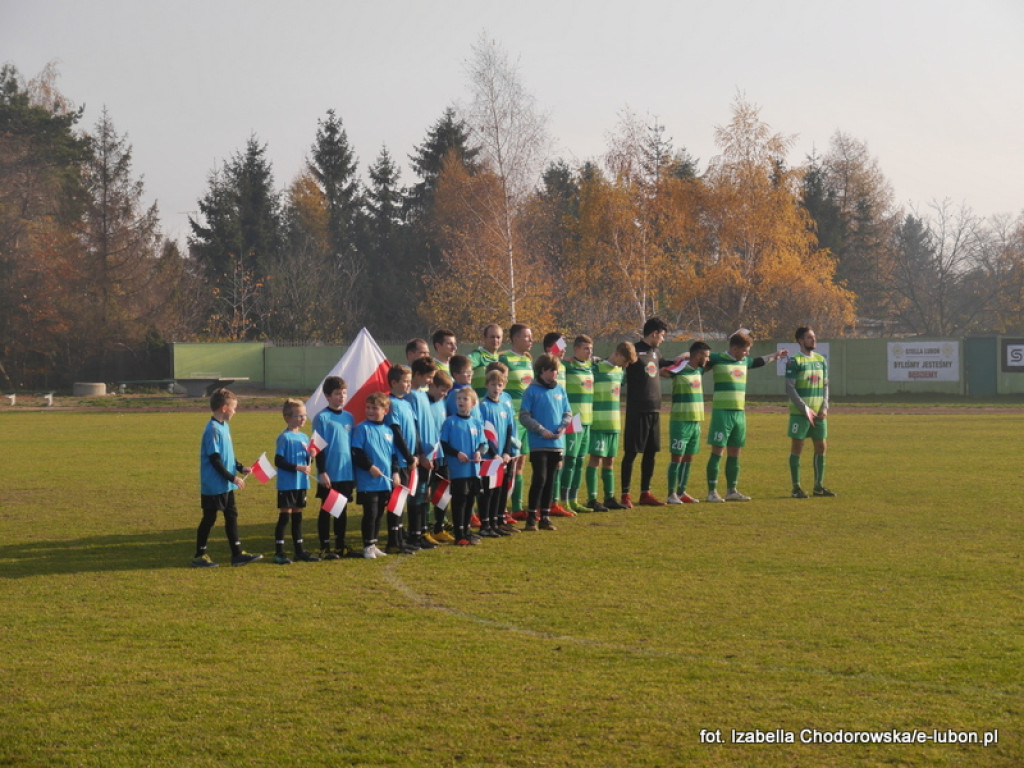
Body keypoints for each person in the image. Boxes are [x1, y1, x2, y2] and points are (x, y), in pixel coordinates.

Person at [704, 330, 788, 502]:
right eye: (745, 350)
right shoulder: (717, 359)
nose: (747, 353)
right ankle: (712, 492)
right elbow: (697, 356)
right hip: (722, 413)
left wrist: (775, 355)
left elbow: (759, 361)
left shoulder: (744, 362)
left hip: (739, 414)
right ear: (735, 348)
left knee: (735, 452)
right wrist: (684, 355)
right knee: (717, 452)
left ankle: (732, 490)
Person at [192, 388, 262, 567]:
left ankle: (237, 554)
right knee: (209, 518)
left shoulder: (225, 426)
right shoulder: (212, 429)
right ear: (224, 408)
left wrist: (240, 468)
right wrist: (233, 478)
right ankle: (199, 555)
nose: (235, 411)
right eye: (234, 408)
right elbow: (215, 460)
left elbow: (227, 456)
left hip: (226, 484)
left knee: (231, 515)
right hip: (214, 485)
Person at [621, 317, 673, 507]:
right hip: (637, 410)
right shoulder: (633, 351)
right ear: (654, 334)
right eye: (662, 335)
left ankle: (645, 493)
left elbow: (664, 363)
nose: (663, 339)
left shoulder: (655, 353)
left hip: (655, 410)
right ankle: (625, 494)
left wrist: (681, 360)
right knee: (632, 453)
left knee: (651, 452)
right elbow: (615, 362)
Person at [519, 353, 572, 531]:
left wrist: (563, 427)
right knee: (539, 478)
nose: (556, 373)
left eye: (557, 370)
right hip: (538, 443)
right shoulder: (531, 390)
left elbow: (568, 413)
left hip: (557, 444)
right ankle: (532, 517)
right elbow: (524, 416)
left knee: (551, 480)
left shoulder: (560, 390)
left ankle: (546, 517)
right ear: (543, 370)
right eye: (553, 370)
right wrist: (541, 430)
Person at [585, 342, 637, 510]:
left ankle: (609, 498)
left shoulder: (620, 372)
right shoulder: (596, 370)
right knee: (595, 460)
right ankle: (592, 499)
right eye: (626, 360)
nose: (627, 365)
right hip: (598, 423)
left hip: (614, 424)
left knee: (610, 461)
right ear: (618, 354)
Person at [786, 326, 835, 498]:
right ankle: (796, 488)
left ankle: (818, 486)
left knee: (821, 447)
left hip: (819, 414)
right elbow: (790, 388)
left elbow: (825, 386)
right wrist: (804, 408)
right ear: (800, 340)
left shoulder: (821, 360)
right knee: (797, 448)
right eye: (809, 337)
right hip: (800, 414)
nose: (813, 340)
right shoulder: (795, 361)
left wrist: (825, 406)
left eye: (813, 337)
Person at [351, 392, 401, 559]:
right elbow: (356, 452)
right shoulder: (362, 428)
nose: (370, 411)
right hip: (368, 481)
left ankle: (373, 543)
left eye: (375, 408)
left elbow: (393, 455)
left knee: (379, 512)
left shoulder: (388, 431)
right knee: (370, 513)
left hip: (384, 482)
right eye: (368, 407)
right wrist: (369, 466)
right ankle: (367, 546)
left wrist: (395, 473)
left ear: (385, 410)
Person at [663, 341, 711, 504]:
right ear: (698, 356)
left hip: (696, 421)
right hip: (680, 421)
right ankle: (671, 494)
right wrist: (677, 360)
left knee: (688, 458)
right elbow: (662, 372)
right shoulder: (679, 369)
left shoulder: (699, 370)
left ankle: (682, 491)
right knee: (677, 457)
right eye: (706, 356)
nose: (708, 359)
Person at [313, 376, 355, 559]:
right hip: (330, 473)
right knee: (327, 509)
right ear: (327, 396)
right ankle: (325, 546)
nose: (341, 397)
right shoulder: (322, 418)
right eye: (337, 394)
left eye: (344, 393)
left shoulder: (349, 417)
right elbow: (318, 447)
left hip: (346, 472)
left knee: (342, 509)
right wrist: (322, 471)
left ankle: (340, 544)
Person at [273, 398, 319, 564]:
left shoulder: (305, 437)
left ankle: (299, 550)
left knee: (298, 516)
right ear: (287, 417)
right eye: (298, 416)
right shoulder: (284, 438)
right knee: (285, 517)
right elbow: (279, 461)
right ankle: (279, 552)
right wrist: (297, 468)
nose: (303, 419)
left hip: (301, 483)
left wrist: (311, 457)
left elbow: (306, 463)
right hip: (287, 484)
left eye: (304, 415)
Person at [440, 387, 487, 545]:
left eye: (464, 399)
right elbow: (444, 444)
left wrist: (479, 452)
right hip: (458, 470)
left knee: (470, 499)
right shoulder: (450, 422)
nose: (460, 401)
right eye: (458, 399)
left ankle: (467, 531)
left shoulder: (476, 423)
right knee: (460, 500)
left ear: (473, 403)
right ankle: (459, 533)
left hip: (474, 470)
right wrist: (457, 453)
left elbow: (483, 443)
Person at [477, 367, 517, 537]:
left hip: (502, 457)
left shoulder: (504, 406)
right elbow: (484, 433)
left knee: (499, 490)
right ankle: (485, 524)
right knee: (488, 491)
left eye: (499, 385)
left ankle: (495, 522)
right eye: (493, 384)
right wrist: (494, 454)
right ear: (487, 385)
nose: (496, 388)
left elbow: (509, 431)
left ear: (504, 386)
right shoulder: (483, 406)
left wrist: (507, 452)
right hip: (489, 457)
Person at [384, 365, 419, 554]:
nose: (408, 384)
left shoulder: (406, 402)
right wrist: (408, 456)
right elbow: (396, 433)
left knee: (401, 501)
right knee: (395, 502)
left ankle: (400, 538)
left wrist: (417, 453)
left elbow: (414, 429)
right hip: (398, 460)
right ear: (394, 383)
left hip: (409, 460)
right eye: (405, 381)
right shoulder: (391, 404)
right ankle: (393, 542)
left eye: (409, 380)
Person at [500, 323, 534, 517]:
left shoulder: (529, 360)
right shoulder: (504, 358)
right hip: (511, 420)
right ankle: (501, 507)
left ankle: (518, 507)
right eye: (526, 336)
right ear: (514, 338)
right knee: (508, 465)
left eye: (531, 336)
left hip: (526, 420)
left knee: (520, 464)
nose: (530, 340)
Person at [405, 357, 440, 548]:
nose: (430, 381)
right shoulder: (411, 397)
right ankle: (413, 535)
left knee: (424, 494)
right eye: (428, 377)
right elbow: (414, 428)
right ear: (417, 375)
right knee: (416, 495)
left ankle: (421, 532)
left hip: (430, 454)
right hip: (420, 456)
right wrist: (421, 454)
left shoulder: (423, 394)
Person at [559, 335, 595, 514]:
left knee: (580, 461)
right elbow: (554, 358)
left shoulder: (590, 366)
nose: (589, 352)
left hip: (587, 421)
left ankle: (574, 500)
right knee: (570, 460)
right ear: (576, 349)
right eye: (585, 349)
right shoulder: (568, 366)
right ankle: (563, 500)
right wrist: (560, 343)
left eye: (590, 349)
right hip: (574, 421)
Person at [468, 323, 504, 399]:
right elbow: (463, 367)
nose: (495, 340)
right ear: (484, 338)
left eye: (498, 337)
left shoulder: (501, 358)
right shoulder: (478, 355)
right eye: (492, 337)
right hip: (480, 403)